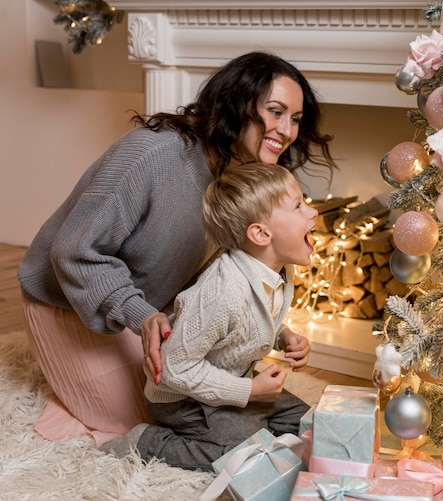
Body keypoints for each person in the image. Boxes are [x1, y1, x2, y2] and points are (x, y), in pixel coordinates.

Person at [17, 51, 336, 446]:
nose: (287, 130)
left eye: (295, 119)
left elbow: (225, 279)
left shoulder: (246, 175)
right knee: (145, 418)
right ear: (236, 104)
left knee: (204, 404)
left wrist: (277, 330)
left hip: (155, 312)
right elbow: (72, 251)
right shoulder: (152, 155)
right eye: (275, 111)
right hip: (70, 302)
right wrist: (141, 314)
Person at [102, 161, 317, 471]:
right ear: (260, 233)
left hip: (229, 379)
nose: (313, 213)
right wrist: (250, 391)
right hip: (182, 399)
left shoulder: (275, 271)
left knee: (306, 423)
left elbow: (249, 322)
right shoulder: (224, 291)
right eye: (299, 207)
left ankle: (245, 422)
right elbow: (175, 368)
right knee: (244, 456)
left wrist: (284, 336)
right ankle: (146, 441)